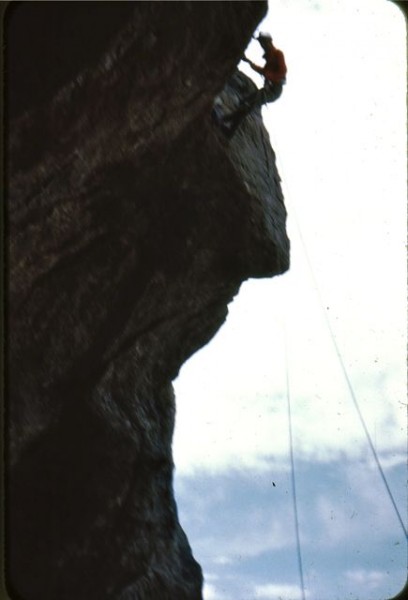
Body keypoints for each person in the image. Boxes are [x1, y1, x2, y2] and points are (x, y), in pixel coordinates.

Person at [218, 33, 287, 138]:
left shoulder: (278, 54)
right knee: (244, 102)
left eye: (263, 43)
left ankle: (226, 125)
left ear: (268, 42)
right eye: (261, 44)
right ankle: (226, 124)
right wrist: (249, 62)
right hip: (269, 89)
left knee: (248, 105)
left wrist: (269, 75)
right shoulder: (269, 58)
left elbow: (282, 72)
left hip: (275, 90)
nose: (262, 46)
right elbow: (262, 71)